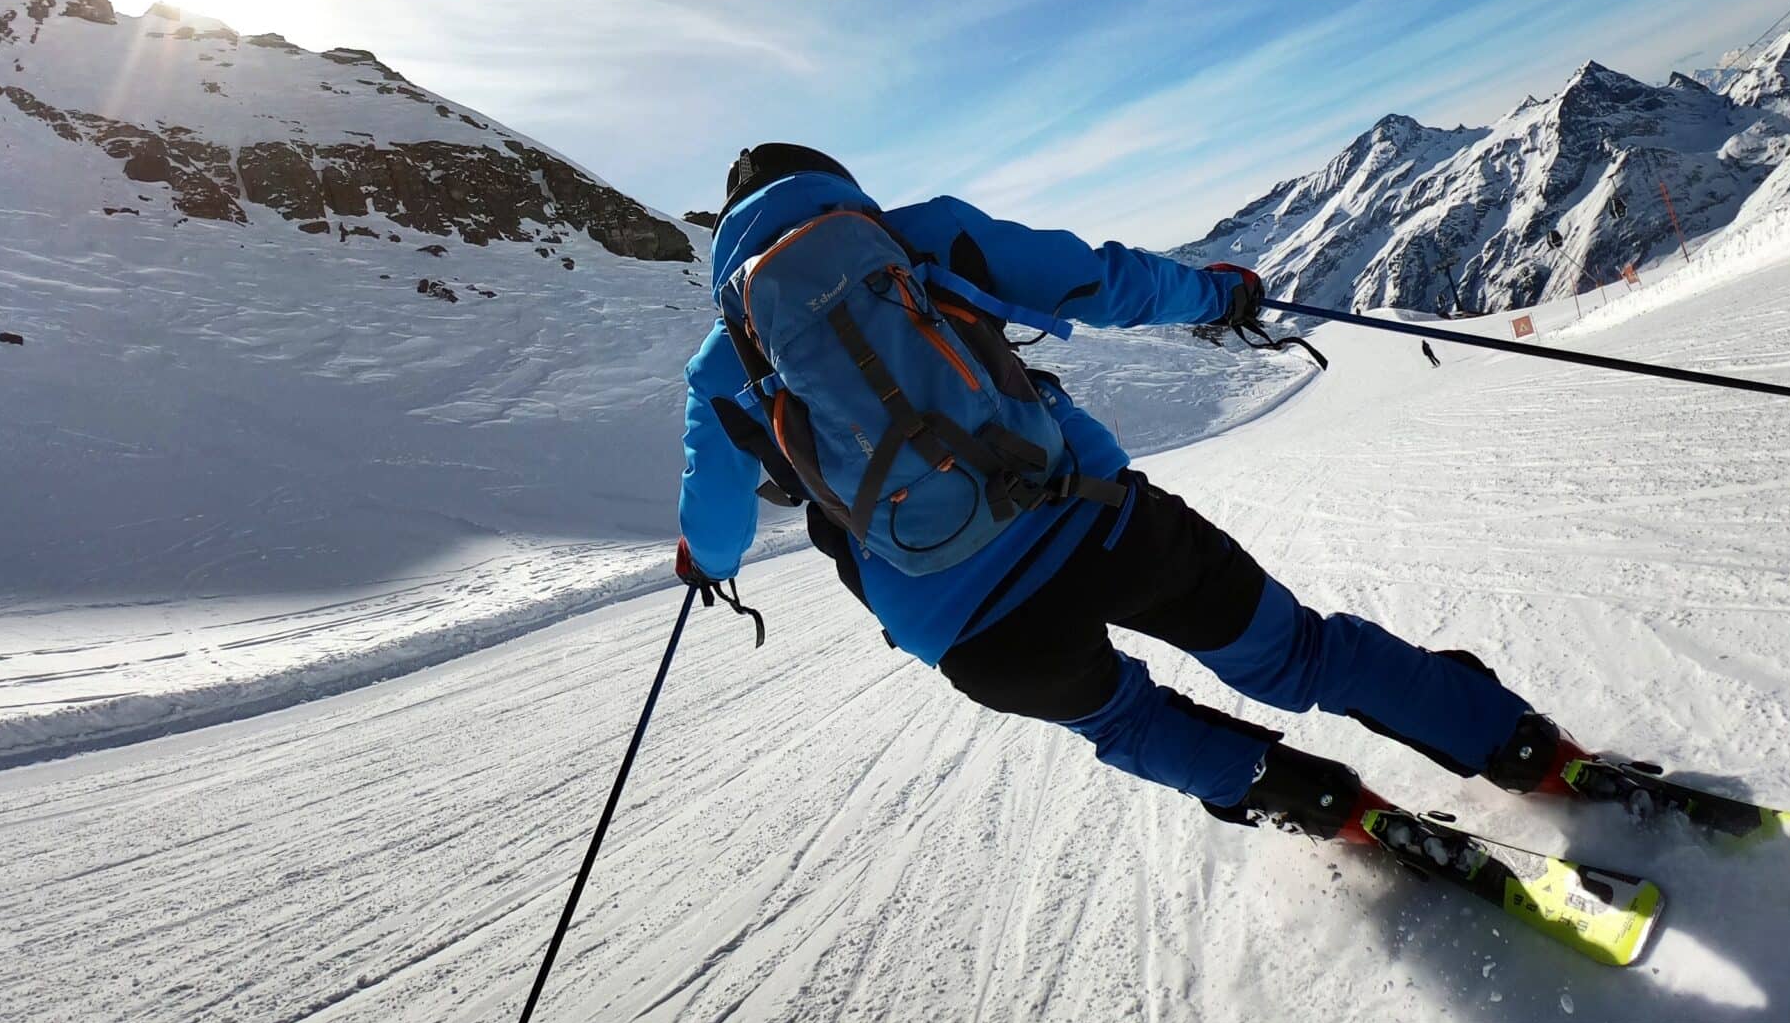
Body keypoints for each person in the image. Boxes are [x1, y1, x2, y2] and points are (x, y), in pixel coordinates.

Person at [673, 144, 1586, 838]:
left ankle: (1314, 800)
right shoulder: (918, 238)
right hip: (1095, 520)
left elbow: (715, 524)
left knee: (1126, 718)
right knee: (1294, 653)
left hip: (965, 628)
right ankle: (1516, 746)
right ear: (838, 192)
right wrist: (1219, 295)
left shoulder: (721, 365)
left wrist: (700, 560)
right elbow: (1101, 280)